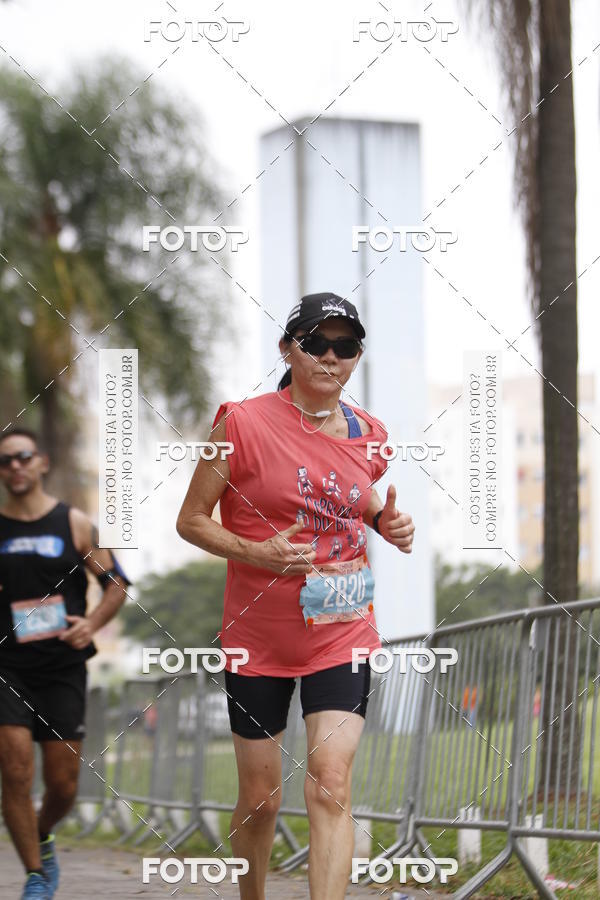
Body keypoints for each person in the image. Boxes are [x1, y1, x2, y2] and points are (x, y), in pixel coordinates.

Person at [177, 292, 415, 900]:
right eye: (316, 343)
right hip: (259, 639)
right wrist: (258, 552)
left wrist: (383, 521)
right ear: (288, 349)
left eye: (345, 346)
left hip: (342, 628)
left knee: (330, 782)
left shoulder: (370, 434)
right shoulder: (240, 424)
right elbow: (192, 520)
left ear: (356, 356)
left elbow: (349, 489)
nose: (331, 357)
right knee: (261, 798)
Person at [0, 428, 130, 899]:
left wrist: (90, 625)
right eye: (5, 461)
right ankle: (36, 876)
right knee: (15, 771)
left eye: (23, 457)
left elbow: (116, 584)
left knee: (64, 785)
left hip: (62, 668)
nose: (15, 466)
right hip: (7, 666)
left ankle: (41, 831)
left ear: (42, 462)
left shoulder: (73, 524)